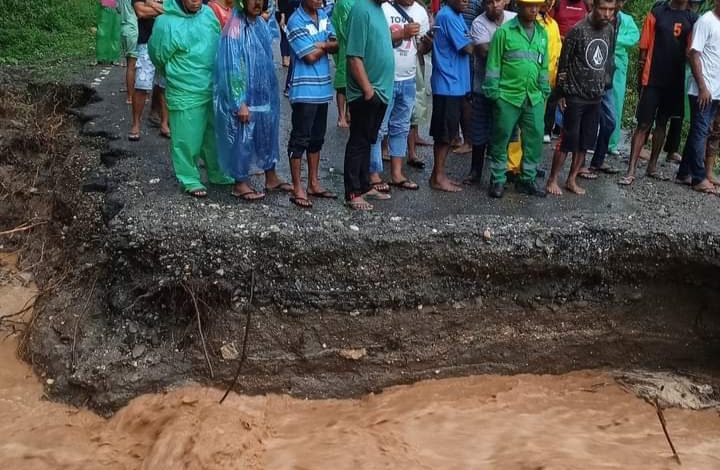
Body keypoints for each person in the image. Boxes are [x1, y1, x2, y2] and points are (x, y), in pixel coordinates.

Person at [148, 0, 234, 197]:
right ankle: (189, 178)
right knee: (187, 137)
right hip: (185, 87)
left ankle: (217, 172)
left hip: (211, 86)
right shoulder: (165, 22)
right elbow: (158, 55)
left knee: (213, 135)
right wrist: (177, 73)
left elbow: (217, 43)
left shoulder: (208, 15)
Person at [214, 0, 291, 200]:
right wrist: (239, 101)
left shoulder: (260, 25)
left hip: (263, 94)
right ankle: (240, 182)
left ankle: (271, 176)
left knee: (267, 133)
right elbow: (231, 66)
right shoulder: (235, 27)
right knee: (243, 136)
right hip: (245, 97)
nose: (258, 2)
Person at [618, 0, 696, 185]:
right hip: (652, 77)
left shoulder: (692, 19)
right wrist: (640, 77)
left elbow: (691, 51)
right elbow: (644, 47)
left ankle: (652, 166)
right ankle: (631, 169)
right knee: (643, 123)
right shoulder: (658, 12)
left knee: (662, 123)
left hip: (674, 80)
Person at [546, 0, 615, 196]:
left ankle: (572, 178)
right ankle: (553, 178)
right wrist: (561, 94)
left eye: (611, 10)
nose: (607, 14)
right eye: (603, 9)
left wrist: (604, 84)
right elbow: (564, 64)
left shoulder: (609, 30)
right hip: (575, 94)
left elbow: (607, 59)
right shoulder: (578, 30)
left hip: (595, 95)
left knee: (586, 141)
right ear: (593, 6)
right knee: (568, 139)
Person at [484, 0, 549, 198]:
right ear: (518, 6)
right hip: (507, 96)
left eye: (537, 6)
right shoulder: (504, 33)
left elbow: (543, 65)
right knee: (500, 139)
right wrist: (494, 93)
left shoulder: (542, 33)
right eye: (529, 6)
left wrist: (544, 89)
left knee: (535, 138)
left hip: (533, 97)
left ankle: (527, 179)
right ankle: (497, 180)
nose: (534, 10)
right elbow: (493, 64)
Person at [367, 0, 431, 192]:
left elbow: (420, 48)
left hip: (409, 78)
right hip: (385, 78)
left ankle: (397, 173)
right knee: (378, 128)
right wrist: (400, 33)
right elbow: (373, 41)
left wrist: (427, 44)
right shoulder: (383, 9)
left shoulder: (420, 12)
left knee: (402, 127)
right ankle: (373, 174)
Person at [285, 0, 339, 208]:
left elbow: (336, 44)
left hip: (323, 89)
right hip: (304, 91)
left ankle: (313, 183)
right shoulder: (295, 20)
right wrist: (326, 44)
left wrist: (323, 45)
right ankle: (297, 186)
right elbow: (308, 56)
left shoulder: (324, 15)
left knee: (317, 139)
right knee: (300, 139)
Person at [343, 0, 395, 210]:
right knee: (359, 141)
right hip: (366, 92)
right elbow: (354, 56)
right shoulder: (360, 9)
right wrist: (367, 90)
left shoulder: (377, 9)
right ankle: (353, 192)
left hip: (380, 92)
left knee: (368, 141)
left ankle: (364, 185)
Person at [465, 0, 517, 184]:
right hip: (483, 88)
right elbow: (485, 53)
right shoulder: (479, 23)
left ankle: (503, 173)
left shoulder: (515, 19)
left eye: (499, 0)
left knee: (504, 133)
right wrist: (513, 50)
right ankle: (475, 172)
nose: (495, 5)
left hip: (509, 89)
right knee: (479, 132)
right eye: (490, 2)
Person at [429, 0, 474, 192]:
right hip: (447, 84)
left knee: (449, 133)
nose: (466, 1)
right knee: (444, 135)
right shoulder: (447, 15)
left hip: (455, 84)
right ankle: (437, 177)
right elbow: (467, 47)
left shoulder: (456, 15)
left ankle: (438, 175)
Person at [676, 1, 720, 194]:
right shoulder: (706, 21)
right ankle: (698, 178)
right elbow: (693, 54)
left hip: (716, 91)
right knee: (700, 131)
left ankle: (684, 172)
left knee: (700, 130)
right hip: (703, 90)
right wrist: (702, 87)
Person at [129, 0, 170, 141]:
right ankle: (135, 124)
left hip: (167, 42)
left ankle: (165, 124)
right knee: (141, 85)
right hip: (146, 41)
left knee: (165, 85)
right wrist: (165, 10)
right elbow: (141, 12)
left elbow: (177, 11)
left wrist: (150, 4)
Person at [605, 0, 639, 158]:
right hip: (600, 63)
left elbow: (633, 38)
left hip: (618, 66)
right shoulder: (602, 16)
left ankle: (611, 143)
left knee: (616, 103)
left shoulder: (627, 20)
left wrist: (614, 40)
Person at [540, 0, 563, 143]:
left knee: (550, 104)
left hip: (551, 75)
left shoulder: (553, 24)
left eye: (551, 2)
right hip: (536, 75)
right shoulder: (533, 22)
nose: (549, 4)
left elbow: (558, 50)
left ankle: (546, 130)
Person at [332, 0, 356, 128]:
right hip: (345, 45)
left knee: (354, 81)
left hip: (355, 44)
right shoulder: (342, 3)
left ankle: (348, 112)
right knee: (342, 82)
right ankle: (341, 115)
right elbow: (340, 26)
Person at [119, 0, 139, 105]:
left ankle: (130, 94)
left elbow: (107, 4)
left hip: (123, 28)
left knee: (129, 64)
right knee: (133, 65)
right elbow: (140, 10)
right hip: (133, 27)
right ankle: (131, 96)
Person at [97, 0, 122, 65]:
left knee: (115, 33)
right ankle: (101, 57)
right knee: (103, 33)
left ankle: (113, 58)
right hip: (106, 5)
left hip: (118, 7)